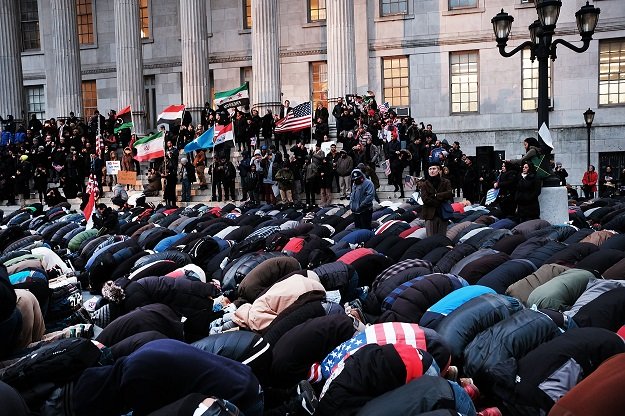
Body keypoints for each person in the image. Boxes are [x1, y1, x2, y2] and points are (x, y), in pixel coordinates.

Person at [418, 163, 453, 237]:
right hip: (429, 214)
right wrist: (439, 201)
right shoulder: (424, 184)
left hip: (442, 213)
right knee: (430, 237)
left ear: (439, 170)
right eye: (430, 169)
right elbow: (425, 199)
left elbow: (449, 194)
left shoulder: (446, 182)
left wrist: (436, 195)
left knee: (441, 237)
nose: (432, 171)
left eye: (434, 169)